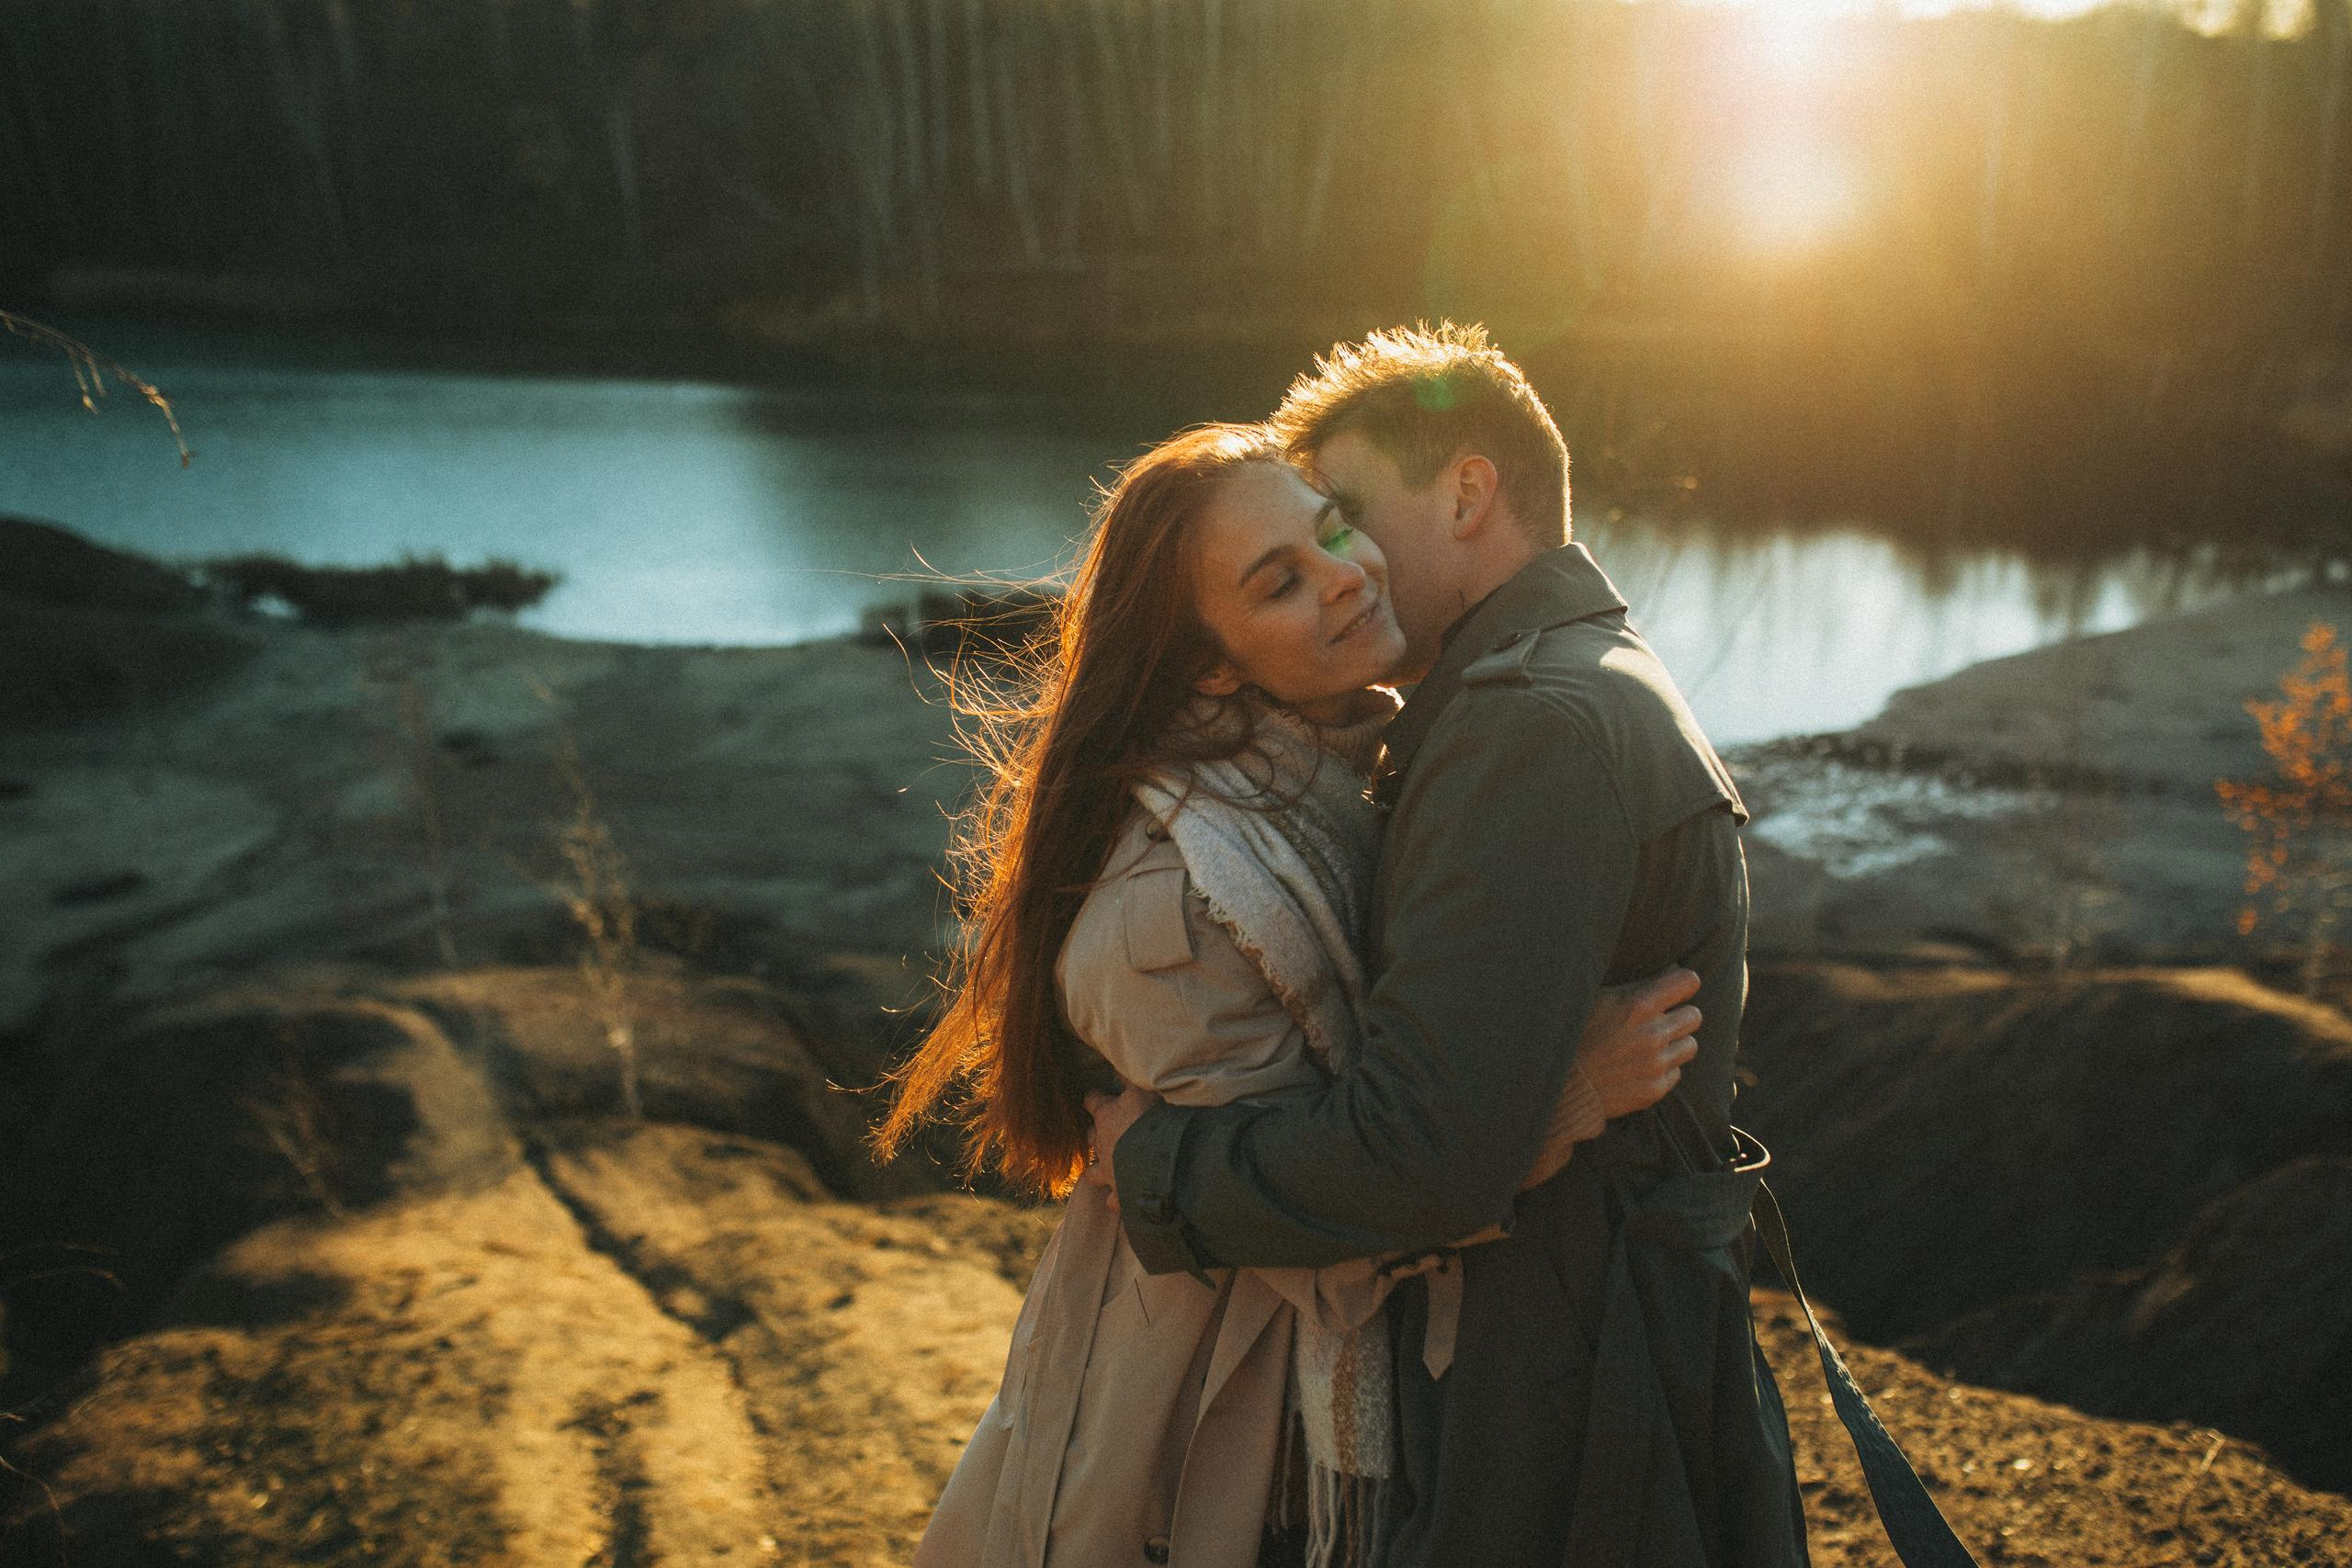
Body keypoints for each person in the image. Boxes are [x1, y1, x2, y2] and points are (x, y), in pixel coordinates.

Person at [876, 421, 1706, 1568]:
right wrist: (1560, 1094)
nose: (1345, 576)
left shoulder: (1321, 775)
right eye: (1279, 583)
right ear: (1212, 663)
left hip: (1270, 1403)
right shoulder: (1184, 902)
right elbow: (1316, 1222)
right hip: (1202, 1430)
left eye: (1332, 530)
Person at [1089, 324, 1812, 1566]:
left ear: (1470, 491)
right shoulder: (1582, 674)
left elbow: (1422, 1150)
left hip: (1567, 1408)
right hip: (1602, 1364)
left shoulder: (1523, 726)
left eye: (1347, 512)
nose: (1350, 558)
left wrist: (1158, 1168)